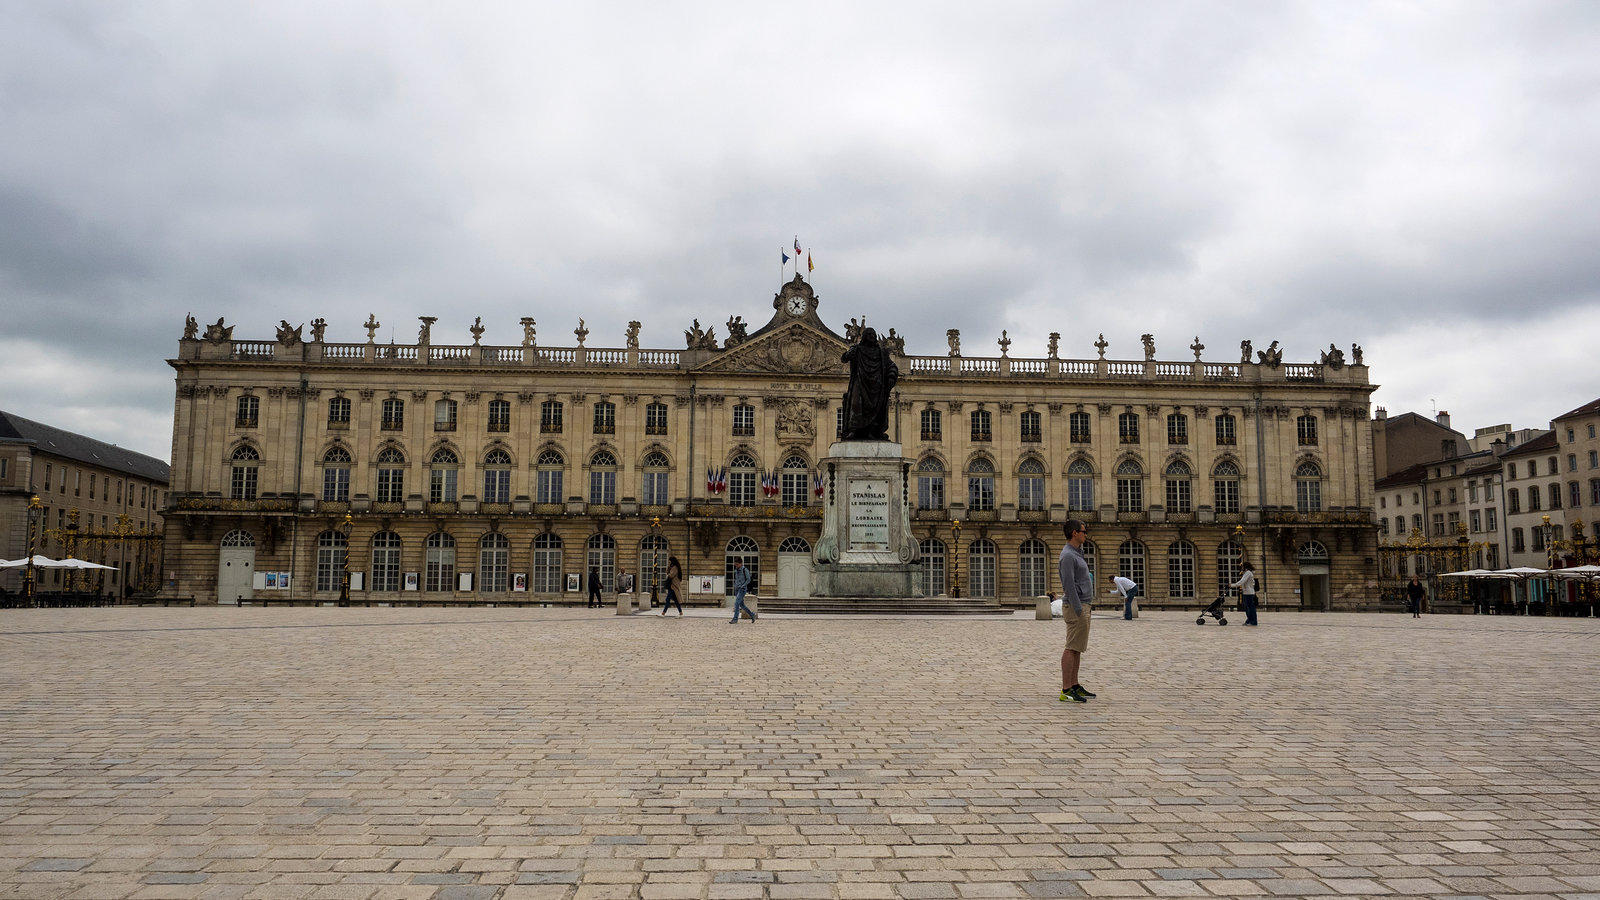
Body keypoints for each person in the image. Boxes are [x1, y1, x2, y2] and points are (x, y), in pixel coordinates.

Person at [1057, 519, 1096, 702]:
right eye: (1084, 531)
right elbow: (1068, 585)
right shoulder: (1068, 556)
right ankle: (1066, 689)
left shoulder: (1076, 553)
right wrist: (1078, 607)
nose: (1086, 534)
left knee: (1077, 648)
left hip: (1082, 604)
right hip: (1076, 606)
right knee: (1071, 647)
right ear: (1075, 533)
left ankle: (1074, 685)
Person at [839, 327, 900, 440]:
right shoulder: (858, 349)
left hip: (876, 385)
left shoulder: (881, 352)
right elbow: (844, 358)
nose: (871, 336)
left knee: (875, 407)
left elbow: (891, 365)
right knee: (855, 403)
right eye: (869, 334)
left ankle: (872, 431)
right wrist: (849, 354)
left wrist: (891, 375)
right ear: (865, 337)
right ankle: (853, 429)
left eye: (873, 334)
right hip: (860, 379)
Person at [728, 558, 757, 623]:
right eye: (735, 565)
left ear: (741, 564)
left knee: (737, 603)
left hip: (742, 589)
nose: (736, 566)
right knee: (742, 605)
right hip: (737, 589)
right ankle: (752, 614)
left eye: (737, 564)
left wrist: (743, 585)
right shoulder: (736, 570)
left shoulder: (745, 570)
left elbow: (748, 579)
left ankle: (735, 619)